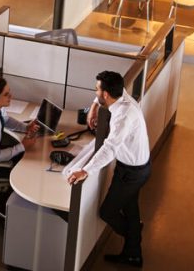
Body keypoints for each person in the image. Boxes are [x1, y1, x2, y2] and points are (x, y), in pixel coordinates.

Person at [67, 71, 150, 268]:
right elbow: (101, 96)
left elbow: (110, 148)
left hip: (131, 172)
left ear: (106, 94)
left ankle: (134, 237)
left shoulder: (122, 117)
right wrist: (94, 106)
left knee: (107, 212)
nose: (95, 91)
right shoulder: (122, 97)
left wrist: (85, 170)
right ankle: (133, 253)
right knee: (130, 208)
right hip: (137, 167)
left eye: (97, 90)